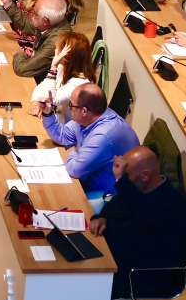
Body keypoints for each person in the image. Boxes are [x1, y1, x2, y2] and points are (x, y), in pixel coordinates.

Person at [89, 146, 186, 298]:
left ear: (144, 176)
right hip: (116, 257)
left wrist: (121, 181)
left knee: (79, 277)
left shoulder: (169, 204)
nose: (124, 182)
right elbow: (117, 205)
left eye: (127, 176)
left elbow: (141, 219)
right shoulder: (139, 190)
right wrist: (101, 218)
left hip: (141, 275)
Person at [38, 82, 140, 212]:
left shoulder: (103, 135)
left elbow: (75, 169)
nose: (69, 109)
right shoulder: (92, 116)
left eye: (71, 105)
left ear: (84, 111)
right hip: (89, 183)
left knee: (50, 203)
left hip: (108, 200)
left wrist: (72, 149)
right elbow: (64, 136)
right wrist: (48, 114)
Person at [28, 32, 94, 120]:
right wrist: (37, 102)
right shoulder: (62, 68)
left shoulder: (79, 84)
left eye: (58, 49)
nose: (55, 51)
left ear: (67, 56)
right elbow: (40, 88)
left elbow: (53, 101)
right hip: (56, 122)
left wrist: (53, 68)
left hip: (65, 130)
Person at [10, 0, 72, 79]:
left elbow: (22, 69)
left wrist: (19, 54)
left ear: (45, 21)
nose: (30, 15)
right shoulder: (55, 21)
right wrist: (8, 4)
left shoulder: (56, 42)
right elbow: (27, 25)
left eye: (34, 13)